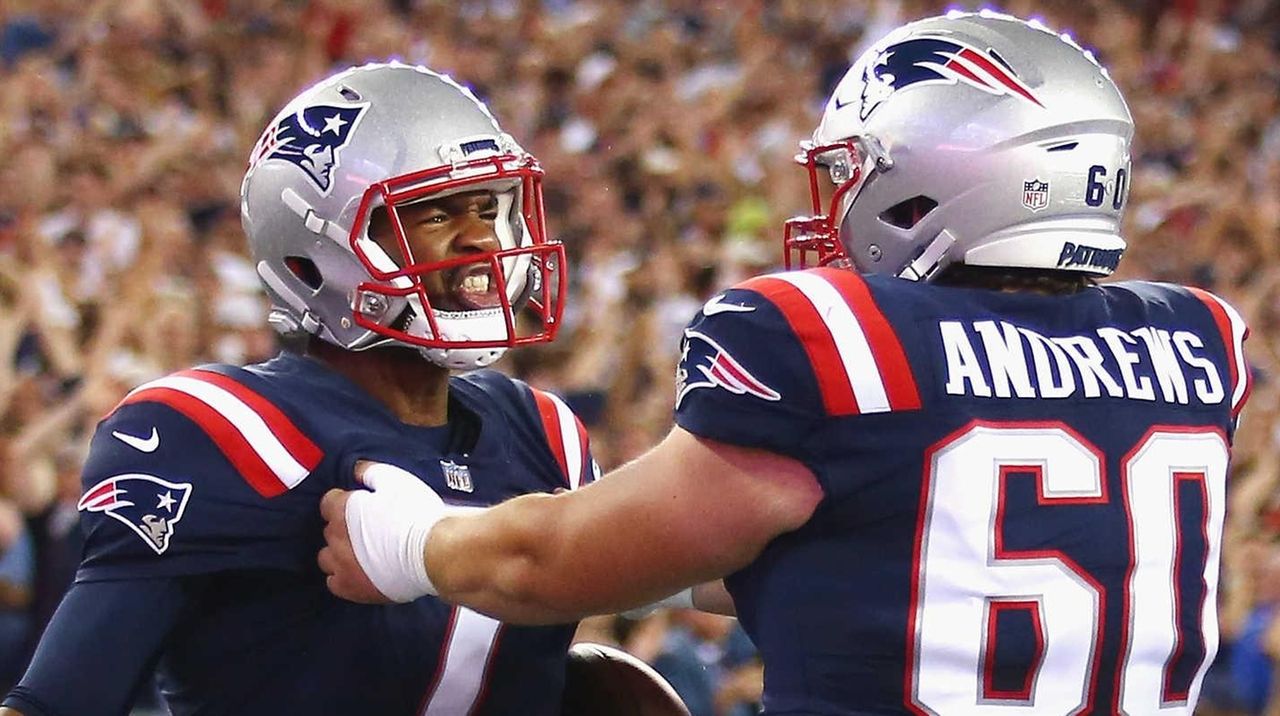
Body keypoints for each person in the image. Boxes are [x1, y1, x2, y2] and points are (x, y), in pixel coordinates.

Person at [318, 12, 1255, 715]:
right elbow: (898, 553)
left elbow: (544, 566)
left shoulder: (841, 338)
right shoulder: (1193, 342)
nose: (834, 208)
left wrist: (409, 540)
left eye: (855, 175)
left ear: (937, 180)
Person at [1, 62, 601, 716]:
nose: (483, 239)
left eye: (490, 207)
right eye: (432, 214)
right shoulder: (217, 432)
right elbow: (57, 704)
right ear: (316, 254)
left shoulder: (546, 434)